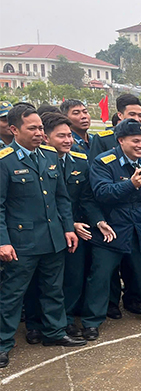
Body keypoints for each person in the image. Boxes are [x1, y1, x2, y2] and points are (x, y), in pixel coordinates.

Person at [0, 105, 86, 368]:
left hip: (53, 238)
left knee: (53, 290)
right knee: (12, 294)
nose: (39, 133)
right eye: (33, 128)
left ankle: (54, 332)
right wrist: (3, 240)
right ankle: (3, 343)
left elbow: (61, 197)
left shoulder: (49, 156)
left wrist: (68, 228)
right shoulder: (5, 161)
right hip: (21, 242)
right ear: (14, 130)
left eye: (40, 128)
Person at [81, 119, 141, 340]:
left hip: (140, 227)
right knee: (101, 276)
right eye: (136, 141)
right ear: (121, 140)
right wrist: (130, 184)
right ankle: (92, 321)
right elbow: (101, 193)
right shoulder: (103, 162)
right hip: (112, 229)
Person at [36, 113, 113, 338]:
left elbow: (87, 199)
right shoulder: (39, 162)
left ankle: (66, 321)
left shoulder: (80, 160)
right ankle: (38, 325)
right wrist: (70, 223)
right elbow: (42, 203)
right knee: (44, 282)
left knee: (73, 277)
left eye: (70, 135)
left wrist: (97, 222)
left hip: (77, 232)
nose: (68, 140)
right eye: (61, 136)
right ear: (46, 138)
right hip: (48, 230)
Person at [88, 94, 141, 161]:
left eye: (140, 115)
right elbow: (95, 166)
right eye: (132, 114)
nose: (137, 119)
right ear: (120, 115)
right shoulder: (103, 139)